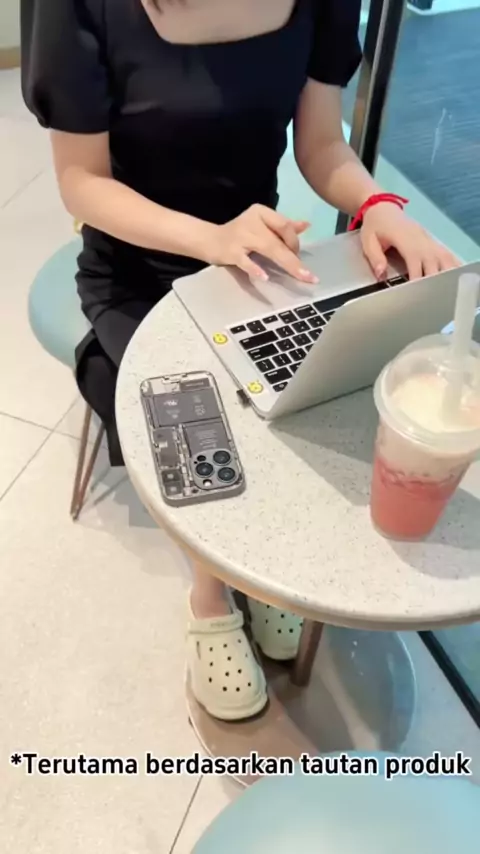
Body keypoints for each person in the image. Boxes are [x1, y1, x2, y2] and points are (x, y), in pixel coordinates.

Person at [21, 0, 458, 722]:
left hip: (256, 262)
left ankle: (255, 566)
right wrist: (211, 240)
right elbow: (83, 184)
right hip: (141, 269)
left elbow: (321, 145)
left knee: (306, 394)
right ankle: (212, 593)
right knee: (207, 431)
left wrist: (377, 204)